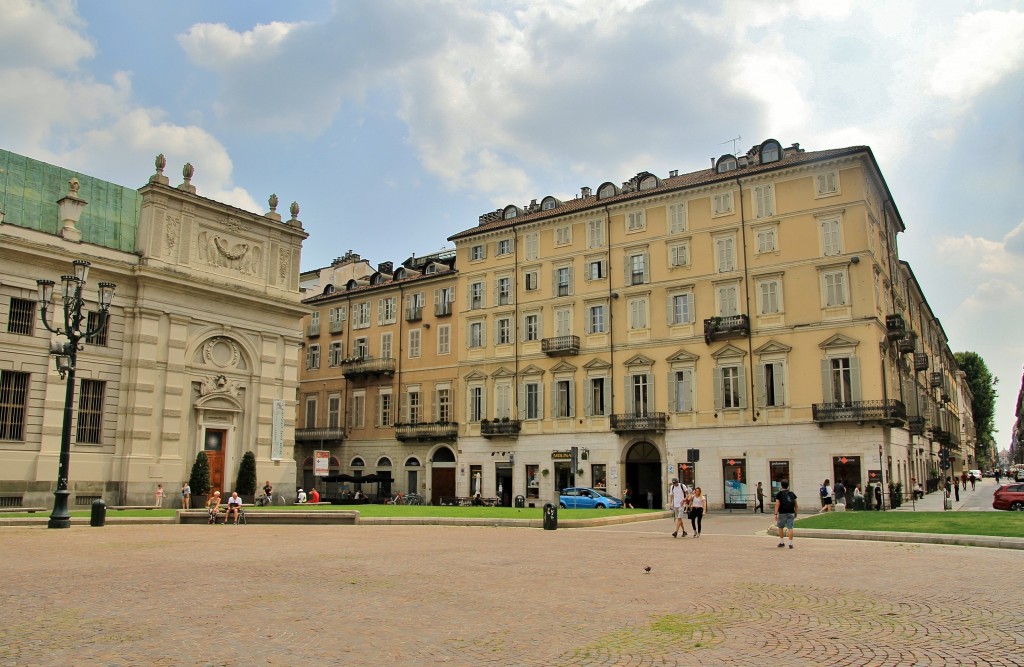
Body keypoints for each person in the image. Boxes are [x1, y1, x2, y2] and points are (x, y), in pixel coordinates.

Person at [774, 480, 797, 548]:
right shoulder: (792, 493)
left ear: (781, 486)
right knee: (790, 527)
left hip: (782, 513)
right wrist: (796, 512)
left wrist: (775, 513)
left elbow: (777, 504)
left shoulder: (779, 494)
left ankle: (782, 542)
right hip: (791, 512)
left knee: (781, 527)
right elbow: (796, 504)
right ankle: (790, 543)